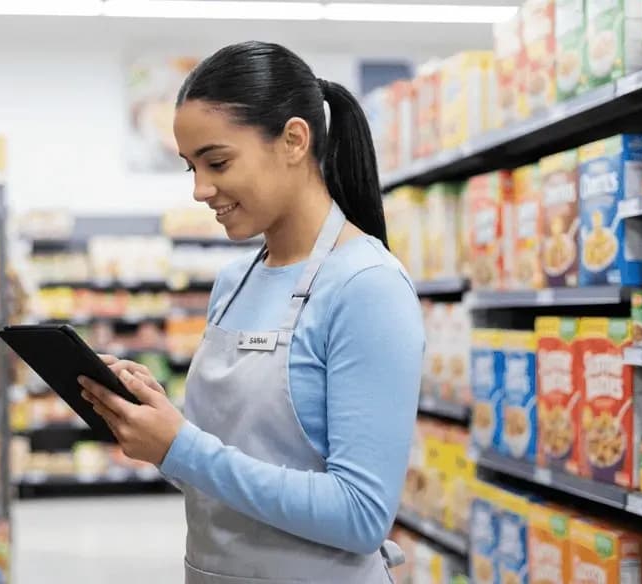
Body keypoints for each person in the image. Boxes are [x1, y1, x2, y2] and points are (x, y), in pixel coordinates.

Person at [78, 40, 423, 583]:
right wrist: (157, 426)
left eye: (217, 162)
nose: (199, 189)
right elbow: (226, 476)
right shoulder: (235, 281)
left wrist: (182, 447)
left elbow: (361, 515)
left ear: (292, 140)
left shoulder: (367, 287)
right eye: (191, 166)